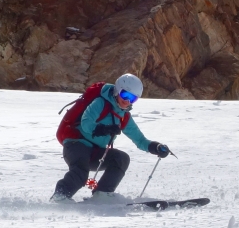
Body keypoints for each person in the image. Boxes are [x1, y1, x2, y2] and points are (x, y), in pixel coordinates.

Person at [50, 73, 170, 202]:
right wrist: (104, 128)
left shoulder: (124, 116)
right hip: (76, 144)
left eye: (133, 98)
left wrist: (156, 147)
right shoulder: (100, 103)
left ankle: (102, 194)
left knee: (121, 158)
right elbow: (86, 123)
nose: (127, 101)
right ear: (117, 90)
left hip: (95, 153)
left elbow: (140, 140)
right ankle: (60, 197)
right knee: (81, 172)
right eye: (125, 95)